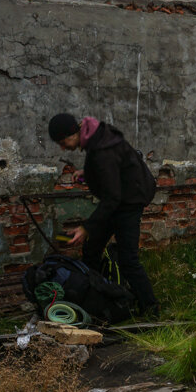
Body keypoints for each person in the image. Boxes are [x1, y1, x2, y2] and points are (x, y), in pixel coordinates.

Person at [48, 113, 159, 317]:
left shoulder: (101, 150)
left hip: (129, 202)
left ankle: (151, 309)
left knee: (128, 260)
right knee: (91, 249)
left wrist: (86, 227)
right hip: (119, 199)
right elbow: (113, 165)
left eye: (63, 142)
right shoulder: (95, 135)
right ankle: (98, 299)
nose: (63, 148)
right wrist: (87, 172)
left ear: (74, 132)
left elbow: (111, 197)